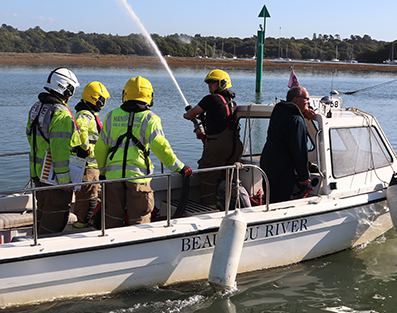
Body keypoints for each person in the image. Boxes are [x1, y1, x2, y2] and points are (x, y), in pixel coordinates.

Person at [95, 76, 192, 229]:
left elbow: (100, 148)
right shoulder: (150, 119)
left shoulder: (111, 116)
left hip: (113, 179)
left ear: (125, 94)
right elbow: (160, 147)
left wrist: (102, 171)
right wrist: (179, 167)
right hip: (138, 179)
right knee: (140, 219)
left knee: (112, 218)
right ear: (149, 96)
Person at [27, 67, 81, 235]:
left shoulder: (36, 108)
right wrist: (64, 181)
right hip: (54, 180)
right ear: (66, 88)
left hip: (37, 174)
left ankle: (36, 241)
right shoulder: (62, 114)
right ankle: (43, 253)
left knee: (42, 213)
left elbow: (30, 136)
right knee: (54, 220)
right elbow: (59, 150)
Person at [183, 69, 244, 207]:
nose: (209, 85)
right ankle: (231, 206)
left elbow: (191, 114)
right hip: (234, 147)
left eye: (212, 82)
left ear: (222, 83)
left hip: (218, 147)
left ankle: (208, 210)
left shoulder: (211, 99)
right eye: (209, 83)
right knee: (228, 177)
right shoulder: (232, 103)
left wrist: (187, 115)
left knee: (207, 177)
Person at [259, 85, 316, 203]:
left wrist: (304, 110)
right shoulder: (296, 120)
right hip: (282, 168)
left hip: (268, 162)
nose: (309, 102)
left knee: (270, 198)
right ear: (296, 100)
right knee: (282, 202)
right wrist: (304, 176)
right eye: (307, 99)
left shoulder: (278, 110)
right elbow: (299, 151)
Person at [71, 81, 110, 228]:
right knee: (87, 195)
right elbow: (81, 128)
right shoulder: (86, 115)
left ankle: (88, 219)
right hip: (88, 165)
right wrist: (85, 148)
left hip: (93, 164)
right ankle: (82, 222)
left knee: (92, 194)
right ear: (97, 99)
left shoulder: (88, 113)